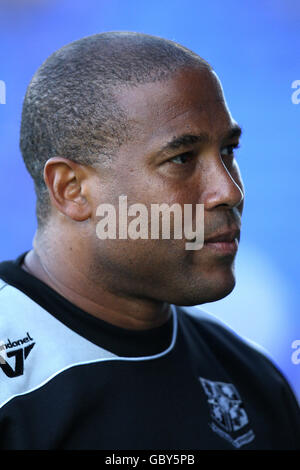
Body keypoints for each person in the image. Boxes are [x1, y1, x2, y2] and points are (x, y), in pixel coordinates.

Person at [0, 31, 299, 450]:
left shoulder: (253, 381)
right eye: (181, 158)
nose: (230, 191)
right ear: (71, 189)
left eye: (229, 151)